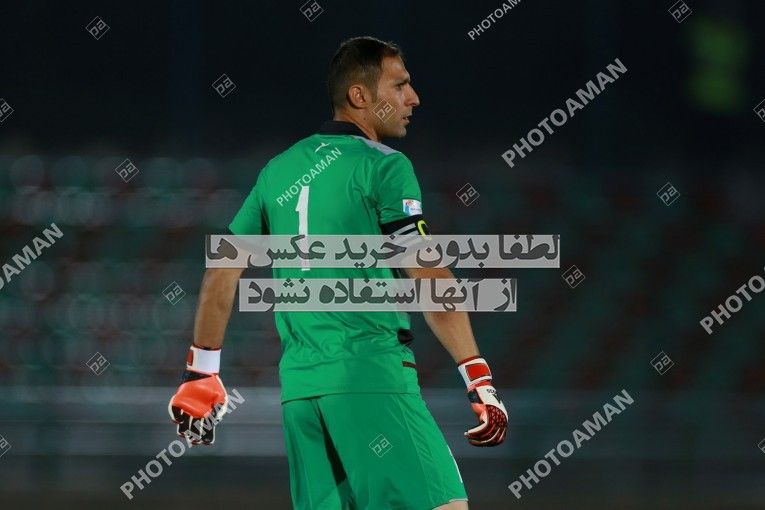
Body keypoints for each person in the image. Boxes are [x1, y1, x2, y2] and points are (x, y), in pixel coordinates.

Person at [169, 36, 508, 510]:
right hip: (371, 379)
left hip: (301, 394)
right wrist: (478, 376)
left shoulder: (277, 171)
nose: (414, 98)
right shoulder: (384, 167)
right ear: (359, 96)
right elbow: (429, 274)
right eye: (400, 85)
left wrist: (201, 372)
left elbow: (222, 270)